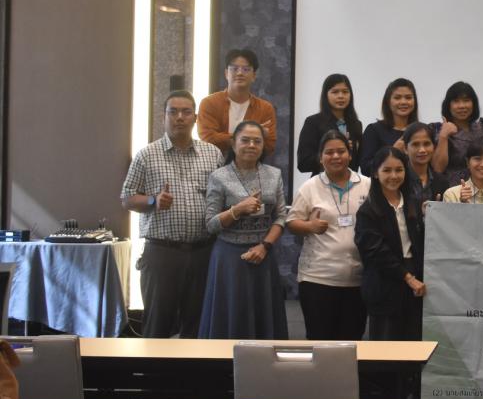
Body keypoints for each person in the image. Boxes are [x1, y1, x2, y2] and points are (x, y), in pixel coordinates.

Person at [120, 91, 224, 338]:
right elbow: (127, 198)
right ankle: (154, 365)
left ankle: (192, 365)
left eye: (186, 112)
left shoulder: (213, 154)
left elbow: (223, 198)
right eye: (173, 112)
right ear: (163, 116)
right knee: (158, 322)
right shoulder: (146, 155)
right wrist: (154, 200)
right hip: (162, 253)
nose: (179, 117)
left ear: (195, 118)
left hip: (203, 251)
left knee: (197, 324)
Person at [355, 146, 427, 399]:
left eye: (398, 170)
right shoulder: (368, 210)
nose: (393, 175)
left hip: (415, 284)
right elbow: (376, 252)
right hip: (386, 285)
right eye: (387, 170)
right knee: (385, 354)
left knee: (412, 353)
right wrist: (407, 277)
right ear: (375, 173)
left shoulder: (413, 203)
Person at [199, 120, 288, 339]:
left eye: (257, 141)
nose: (251, 145)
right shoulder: (219, 176)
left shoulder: (274, 174)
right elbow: (210, 224)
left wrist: (265, 246)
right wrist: (236, 210)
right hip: (229, 259)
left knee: (264, 319)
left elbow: (281, 217)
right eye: (245, 140)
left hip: (263, 255)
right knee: (230, 318)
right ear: (233, 143)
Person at [285, 130, 369, 340]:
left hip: (358, 278)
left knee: (352, 341)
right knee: (320, 340)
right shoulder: (310, 187)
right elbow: (291, 222)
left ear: (350, 154)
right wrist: (310, 226)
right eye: (329, 152)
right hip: (318, 278)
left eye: (341, 151)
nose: (336, 156)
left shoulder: (367, 185)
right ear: (320, 157)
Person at [197, 48, 277, 156]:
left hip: (250, 164)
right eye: (234, 69)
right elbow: (208, 139)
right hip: (215, 163)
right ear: (226, 73)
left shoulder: (265, 108)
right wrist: (254, 134)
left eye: (246, 69)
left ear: (254, 76)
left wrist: (226, 139)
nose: (239, 73)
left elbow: (270, 145)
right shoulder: (209, 103)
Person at [298, 73, 363, 175]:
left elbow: (357, 162)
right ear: (326, 95)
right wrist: (331, 151)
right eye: (335, 92)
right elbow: (303, 163)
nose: (341, 96)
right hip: (322, 181)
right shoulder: (313, 122)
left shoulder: (356, 124)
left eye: (345, 92)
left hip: (349, 181)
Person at [360, 78, 422, 177]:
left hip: (417, 185)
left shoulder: (420, 131)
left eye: (408, 97)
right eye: (397, 98)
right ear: (388, 101)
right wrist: (393, 151)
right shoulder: (374, 130)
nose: (403, 102)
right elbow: (365, 169)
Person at [432, 81, 483, 182]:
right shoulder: (437, 130)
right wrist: (443, 136)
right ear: (448, 105)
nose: (462, 106)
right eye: (456, 101)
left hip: (480, 185)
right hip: (451, 188)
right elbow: (438, 168)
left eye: (466, 100)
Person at [402, 121, 450, 212]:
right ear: (405, 148)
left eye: (427, 144)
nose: (422, 150)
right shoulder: (399, 179)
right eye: (415, 144)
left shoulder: (442, 182)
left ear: (434, 146)